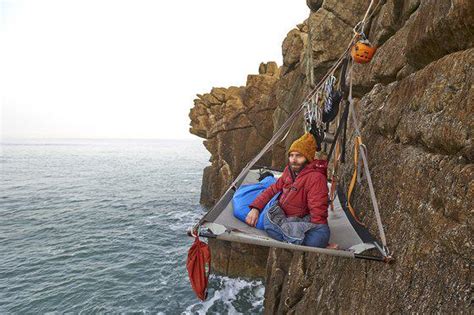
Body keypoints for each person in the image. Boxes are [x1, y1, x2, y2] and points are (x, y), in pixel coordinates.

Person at [245, 133, 330, 248]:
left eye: (299, 156)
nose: (293, 160)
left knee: (317, 240)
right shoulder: (288, 171)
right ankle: (291, 235)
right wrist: (255, 208)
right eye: (291, 155)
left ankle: (290, 235)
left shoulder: (316, 178)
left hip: (300, 219)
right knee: (261, 219)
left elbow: (318, 208)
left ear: (308, 158)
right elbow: (273, 189)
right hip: (282, 214)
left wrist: (321, 237)